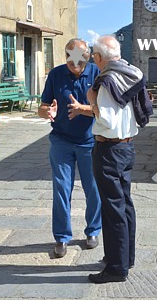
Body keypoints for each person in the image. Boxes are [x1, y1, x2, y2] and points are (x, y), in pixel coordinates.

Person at [87, 34, 151, 284]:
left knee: (113, 209)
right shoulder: (131, 73)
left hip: (109, 149)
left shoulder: (107, 81)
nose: (93, 59)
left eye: (94, 55)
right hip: (127, 147)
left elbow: (107, 120)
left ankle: (115, 268)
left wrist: (91, 103)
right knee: (125, 205)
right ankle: (126, 258)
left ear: (100, 57)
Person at [38, 38, 101, 259]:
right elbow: (43, 106)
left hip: (89, 141)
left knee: (92, 189)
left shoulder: (97, 74)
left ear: (88, 56)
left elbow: (106, 109)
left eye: (79, 57)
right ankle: (62, 237)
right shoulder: (56, 74)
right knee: (61, 189)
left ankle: (93, 230)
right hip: (61, 141)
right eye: (69, 56)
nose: (74, 62)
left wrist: (82, 109)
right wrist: (46, 112)